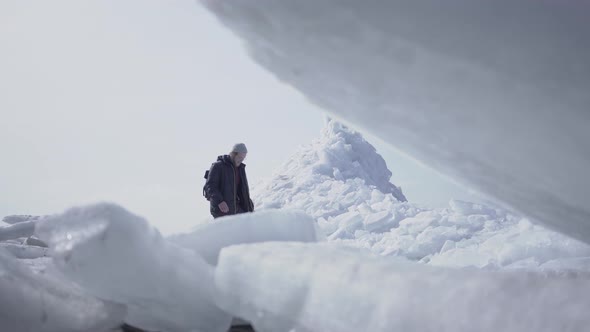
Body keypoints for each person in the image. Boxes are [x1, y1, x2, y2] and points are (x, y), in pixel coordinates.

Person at [204, 143, 254, 218]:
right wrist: (220, 201)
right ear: (233, 154)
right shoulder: (218, 166)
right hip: (221, 211)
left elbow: (242, 191)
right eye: (240, 157)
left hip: (236, 210)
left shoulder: (240, 169)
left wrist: (249, 208)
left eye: (243, 158)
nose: (241, 160)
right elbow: (210, 186)